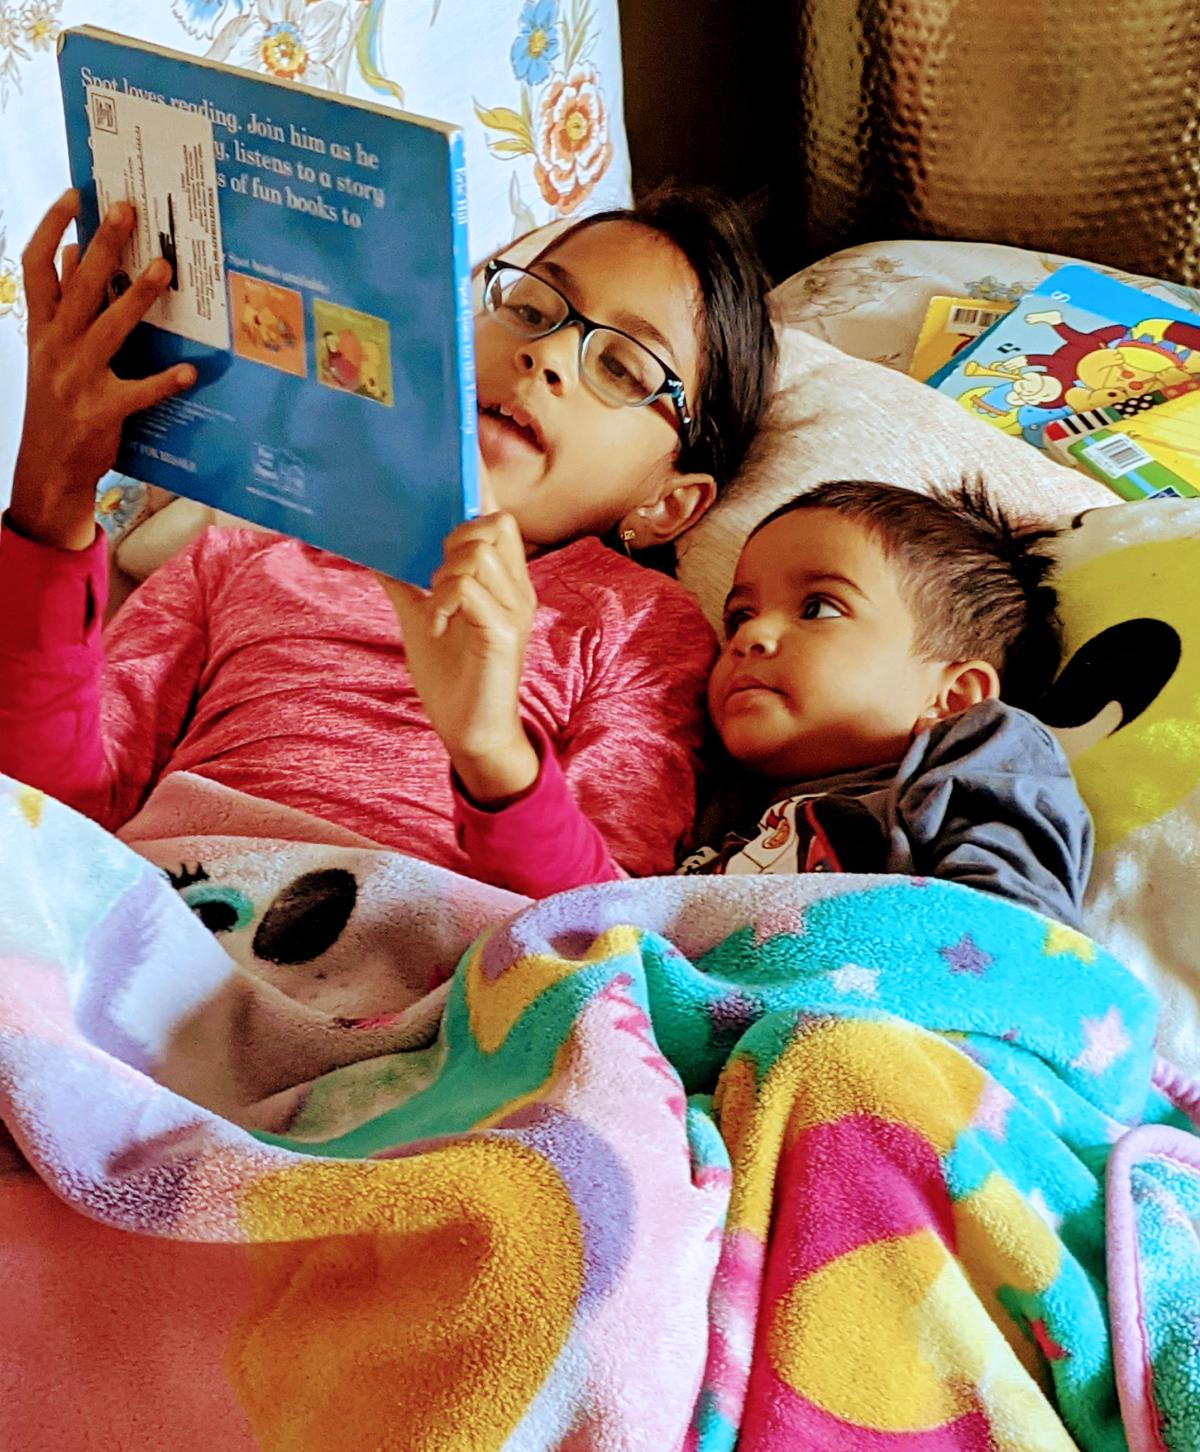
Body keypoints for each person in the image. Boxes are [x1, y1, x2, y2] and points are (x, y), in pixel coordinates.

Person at [0, 183, 777, 880]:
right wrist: (51, 501)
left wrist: (489, 750)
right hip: (165, 934)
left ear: (669, 505)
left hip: (432, 984)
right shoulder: (248, 547)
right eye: (533, 311)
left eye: (625, 369)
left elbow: (605, 937)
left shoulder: (640, 624)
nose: (545, 354)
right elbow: (57, 822)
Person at [444, 480, 1093, 928]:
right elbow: (598, 922)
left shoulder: (979, 755)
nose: (751, 635)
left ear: (951, 696)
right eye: (739, 614)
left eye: (818, 607)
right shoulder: (716, 807)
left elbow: (1016, 940)